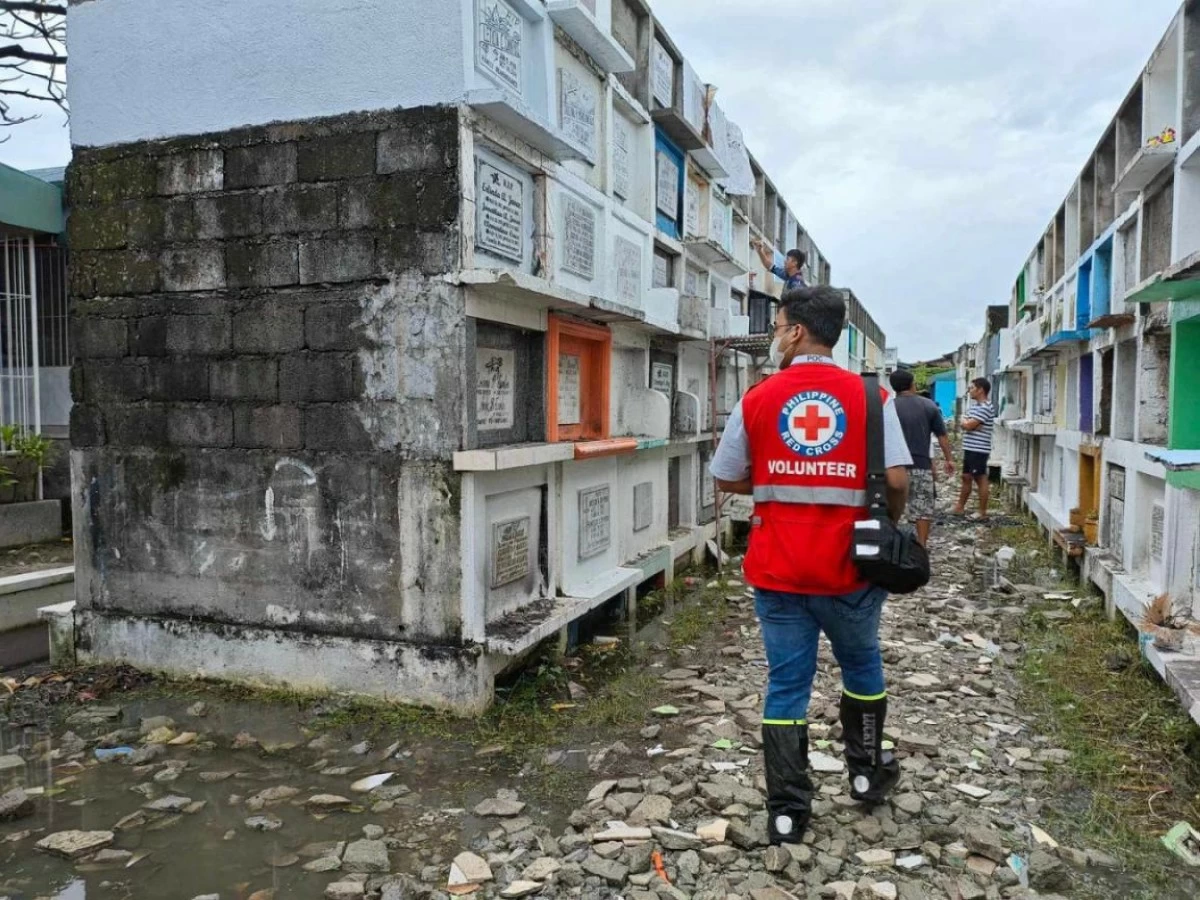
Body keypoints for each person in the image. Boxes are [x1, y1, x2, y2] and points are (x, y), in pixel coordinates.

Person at [709, 285, 911, 846]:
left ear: (797, 331)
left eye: (776, 325)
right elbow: (896, 480)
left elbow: (725, 475)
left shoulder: (758, 397)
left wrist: (777, 482)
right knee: (863, 667)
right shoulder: (873, 398)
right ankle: (867, 775)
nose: (775, 336)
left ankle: (786, 813)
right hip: (852, 571)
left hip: (778, 573)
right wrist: (881, 519)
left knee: (786, 685)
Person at [889, 369, 954, 546]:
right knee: (923, 507)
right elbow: (942, 436)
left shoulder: (887, 407)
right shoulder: (929, 405)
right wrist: (949, 459)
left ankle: (889, 543)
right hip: (920, 465)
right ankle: (922, 546)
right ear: (913, 384)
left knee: (891, 507)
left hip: (893, 466)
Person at [953, 377, 996, 519]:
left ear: (980, 390)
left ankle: (982, 512)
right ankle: (959, 507)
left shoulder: (985, 407)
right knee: (966, 476)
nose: (969, 391)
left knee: (980, 478)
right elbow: (966, 422)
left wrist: (969, 424)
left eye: (971, 388)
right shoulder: (975, 407)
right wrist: (969, 424)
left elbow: (967, 425)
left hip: (979, 448)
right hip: (970, 447)